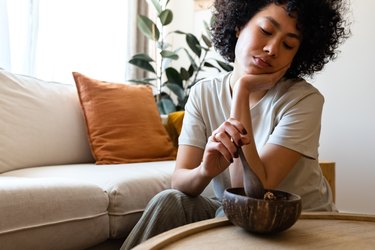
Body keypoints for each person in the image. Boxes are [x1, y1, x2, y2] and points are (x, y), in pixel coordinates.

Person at [120, 0, 350, 249]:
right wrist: (205, 170)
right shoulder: (203, 93)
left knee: (230, 219)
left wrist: (242, 89)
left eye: (288, 44)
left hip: (302, 221)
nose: (272, 49)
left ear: (298, 55)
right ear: (239, 25)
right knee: (169, 201)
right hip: (236, 215)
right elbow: (180, 180)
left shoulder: (304, 100)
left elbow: (251, 194)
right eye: (266, 30)